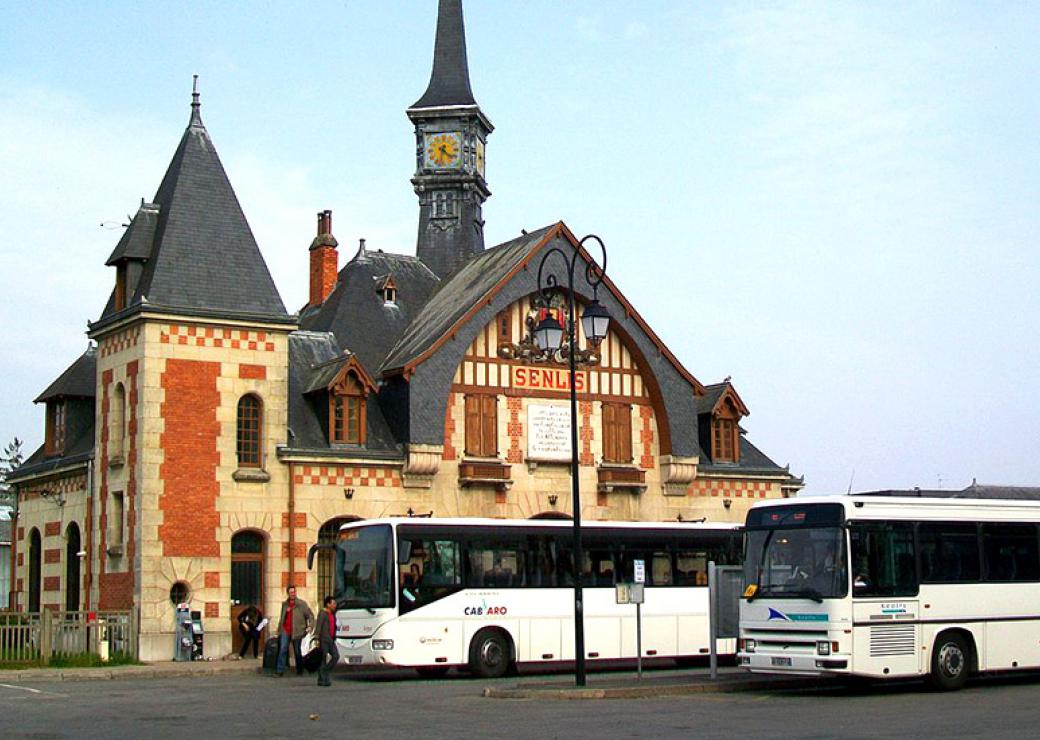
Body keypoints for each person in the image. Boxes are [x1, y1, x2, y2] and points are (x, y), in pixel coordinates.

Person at [275, 585, 314, 677]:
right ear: (288, 593)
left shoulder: (301, 604)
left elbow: (310, 615)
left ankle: (300, 669)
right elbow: (282, 618)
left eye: (294, 592)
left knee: (297, 651)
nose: (293, 594)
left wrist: (310, 626)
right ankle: (279, 670)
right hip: (286, 630)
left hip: (297, 630)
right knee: (283, 649)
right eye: (291, 592)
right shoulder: (285, 604)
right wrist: (279, 629)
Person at [316, 596, 339, 687]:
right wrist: (317, 638)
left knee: (336, 656)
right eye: (333, 603)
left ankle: (325, 671)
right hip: (324, 639)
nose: (335, 605)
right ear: (328, 604)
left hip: (331, 639)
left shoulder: (333, 614)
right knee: (323, 659)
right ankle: (322, 679)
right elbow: (319, 626)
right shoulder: (323, 613)